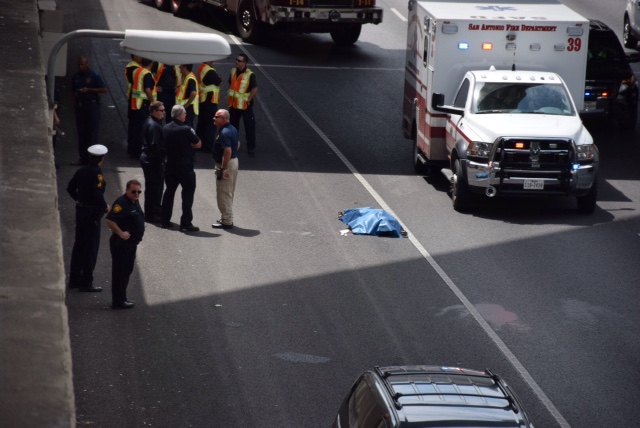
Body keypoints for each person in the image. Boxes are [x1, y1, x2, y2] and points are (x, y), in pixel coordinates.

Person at [66, 144, 109, 292]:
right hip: (92, 214)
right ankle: (86, 282)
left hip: (81, 210)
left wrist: (80, 199)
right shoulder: (97, 173)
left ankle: (74, 279)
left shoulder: (82, 170)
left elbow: (70, 188)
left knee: (79, 245)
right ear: (101, 159)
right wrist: (105, 206)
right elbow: (97, 194)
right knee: (91, 247)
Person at [160, 105, 202, 232]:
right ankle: (186, 223)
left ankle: (164, 220)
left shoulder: (166, 127)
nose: (186, 115)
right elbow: (198, 144)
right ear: (180, 115)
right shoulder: (186, 129)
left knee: (169, 192)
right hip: (185, 166)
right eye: (184, 113)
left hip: (170, 165)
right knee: (188, 193)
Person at [105, 179, 145, 309]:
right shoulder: (121, 203)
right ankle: (118, 301)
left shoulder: (134, 201)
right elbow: (109, 220)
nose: (136, 194)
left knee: (126, 271)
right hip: (122, 244)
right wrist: (120, 232)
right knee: (120, 273)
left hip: (131, 244)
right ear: (126, 190)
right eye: (133, 191)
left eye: (139, 192)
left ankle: (122, 297)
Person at [71, 55, 107, 165]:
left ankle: (93, 159)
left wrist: (89, 90)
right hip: (81, 106)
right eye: (79, 65)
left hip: (92, 106)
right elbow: (73, 91)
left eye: (83, 64)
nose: (81, 67)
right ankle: (83, 158)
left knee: (92, 134)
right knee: (82, 134)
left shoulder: (94, 75)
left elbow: (104, 89)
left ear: (87, 64)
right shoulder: (76, 76)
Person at [211, 109, 239, 230]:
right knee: (228, 191)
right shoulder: (232, 129)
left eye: (216, 117)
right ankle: (226, 217)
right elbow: (237, 143)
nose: (214, 118)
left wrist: (223, 168)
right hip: (233, 161)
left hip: (226, 163)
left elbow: (228, 151)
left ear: (223, 118)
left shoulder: (225, 132)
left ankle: (227, 221)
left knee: (223, 193)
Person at [140, 101, 166, 223]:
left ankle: (152, 212)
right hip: (152, 160)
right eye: (161, 110)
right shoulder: (154, 126)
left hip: (148, 158)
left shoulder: (150, 120)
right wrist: (160, 162)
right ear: (154, 111)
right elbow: (155, 146)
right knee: (155, 188)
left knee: (152, 187)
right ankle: (152, 214)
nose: (164, 113)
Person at [228, 54, 258, 155]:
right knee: (233, 126)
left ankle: (251, 147)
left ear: (245, 63)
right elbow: (231, 84)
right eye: (236, 60)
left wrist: (249, 99)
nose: (237, 62)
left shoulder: (250, 75)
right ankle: (234, 144)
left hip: (245, 105)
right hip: (234, 104)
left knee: (249, 126)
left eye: (239, 61)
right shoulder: (233, 71)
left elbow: (255, 89)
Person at [128, 58, 156, 159]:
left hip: (135, 104)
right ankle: (141, 152)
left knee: (136, 129)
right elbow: (148, 90)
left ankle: (133, 151)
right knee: (143, 129)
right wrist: (153, 102)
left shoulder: (137, 71)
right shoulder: (147, 74)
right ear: (151, 64)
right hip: (144, 105)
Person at [196, 61, 222, 152]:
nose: (214, 62)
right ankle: (208, 147)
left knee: (201, 123)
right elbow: (219, 82)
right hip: (209, 101)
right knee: (211, 124)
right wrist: (219, 78)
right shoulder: (209, 71)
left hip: (203, 100)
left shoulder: (201, 67)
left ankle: (199, 144)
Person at [176, 64, 199, 128]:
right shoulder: (186, 77)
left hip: (188, 108)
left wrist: (187, 104)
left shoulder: (190, 78)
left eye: (181, 65)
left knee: (187, 127)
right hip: (185, 107)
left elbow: (193, 93)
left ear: (184, 67)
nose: (179, 67)